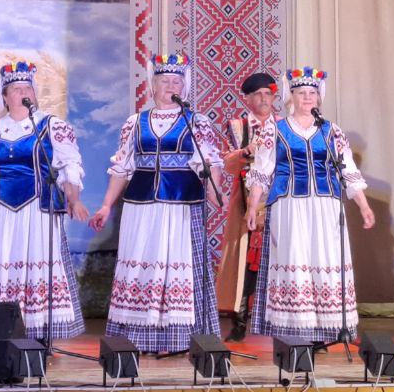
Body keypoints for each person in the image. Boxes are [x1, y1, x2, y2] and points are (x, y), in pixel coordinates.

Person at [89, 52, 224, 354]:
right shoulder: (135, 122)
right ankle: (138, 337)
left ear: (184, 86)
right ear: (153, 85)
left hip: (182, 204)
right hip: (142, 206)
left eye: (177, 81)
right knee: (143, 263)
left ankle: (182, 338)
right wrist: (106, 205)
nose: (171, 86)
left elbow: (210, 162)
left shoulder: (195, 121)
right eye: (165, 81)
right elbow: (121, 168)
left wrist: (214, 190)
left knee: (179, 267)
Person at [246, 67, 374, 343]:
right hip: (289, 204)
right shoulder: (275, 129)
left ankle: (328, 327)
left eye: (312, 93)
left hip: (326, 205)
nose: (307, 97)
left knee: (325, 256)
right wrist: (252, 206)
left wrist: (363, 206)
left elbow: (348, 169)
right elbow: (262, 170)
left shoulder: (331, 130)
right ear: (291, 97)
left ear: (319, 97)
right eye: (301, 92)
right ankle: (295, 326)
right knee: (294, 255)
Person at [0, 60, 89, 339]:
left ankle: (40, 331)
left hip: (37, 209)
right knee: (2, 262)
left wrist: (74, 198)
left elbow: (70, 166)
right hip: (1, 213)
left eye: (27, 88)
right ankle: (2, 328)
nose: (23, 93)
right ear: (5, 97)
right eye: (16, 89)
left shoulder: (51, 126)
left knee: (38, 262)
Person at [215, 71, 278, 341]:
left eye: (267, 94)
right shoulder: (237, 127)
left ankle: (284, 321)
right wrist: (244, 152)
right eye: (257, 95)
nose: (263, 99)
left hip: (278, 201)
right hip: (245, 201)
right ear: (248, 99)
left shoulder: (285, 126)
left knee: (280, 258)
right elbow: (225, 164)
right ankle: (240, 322)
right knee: (245, 263)